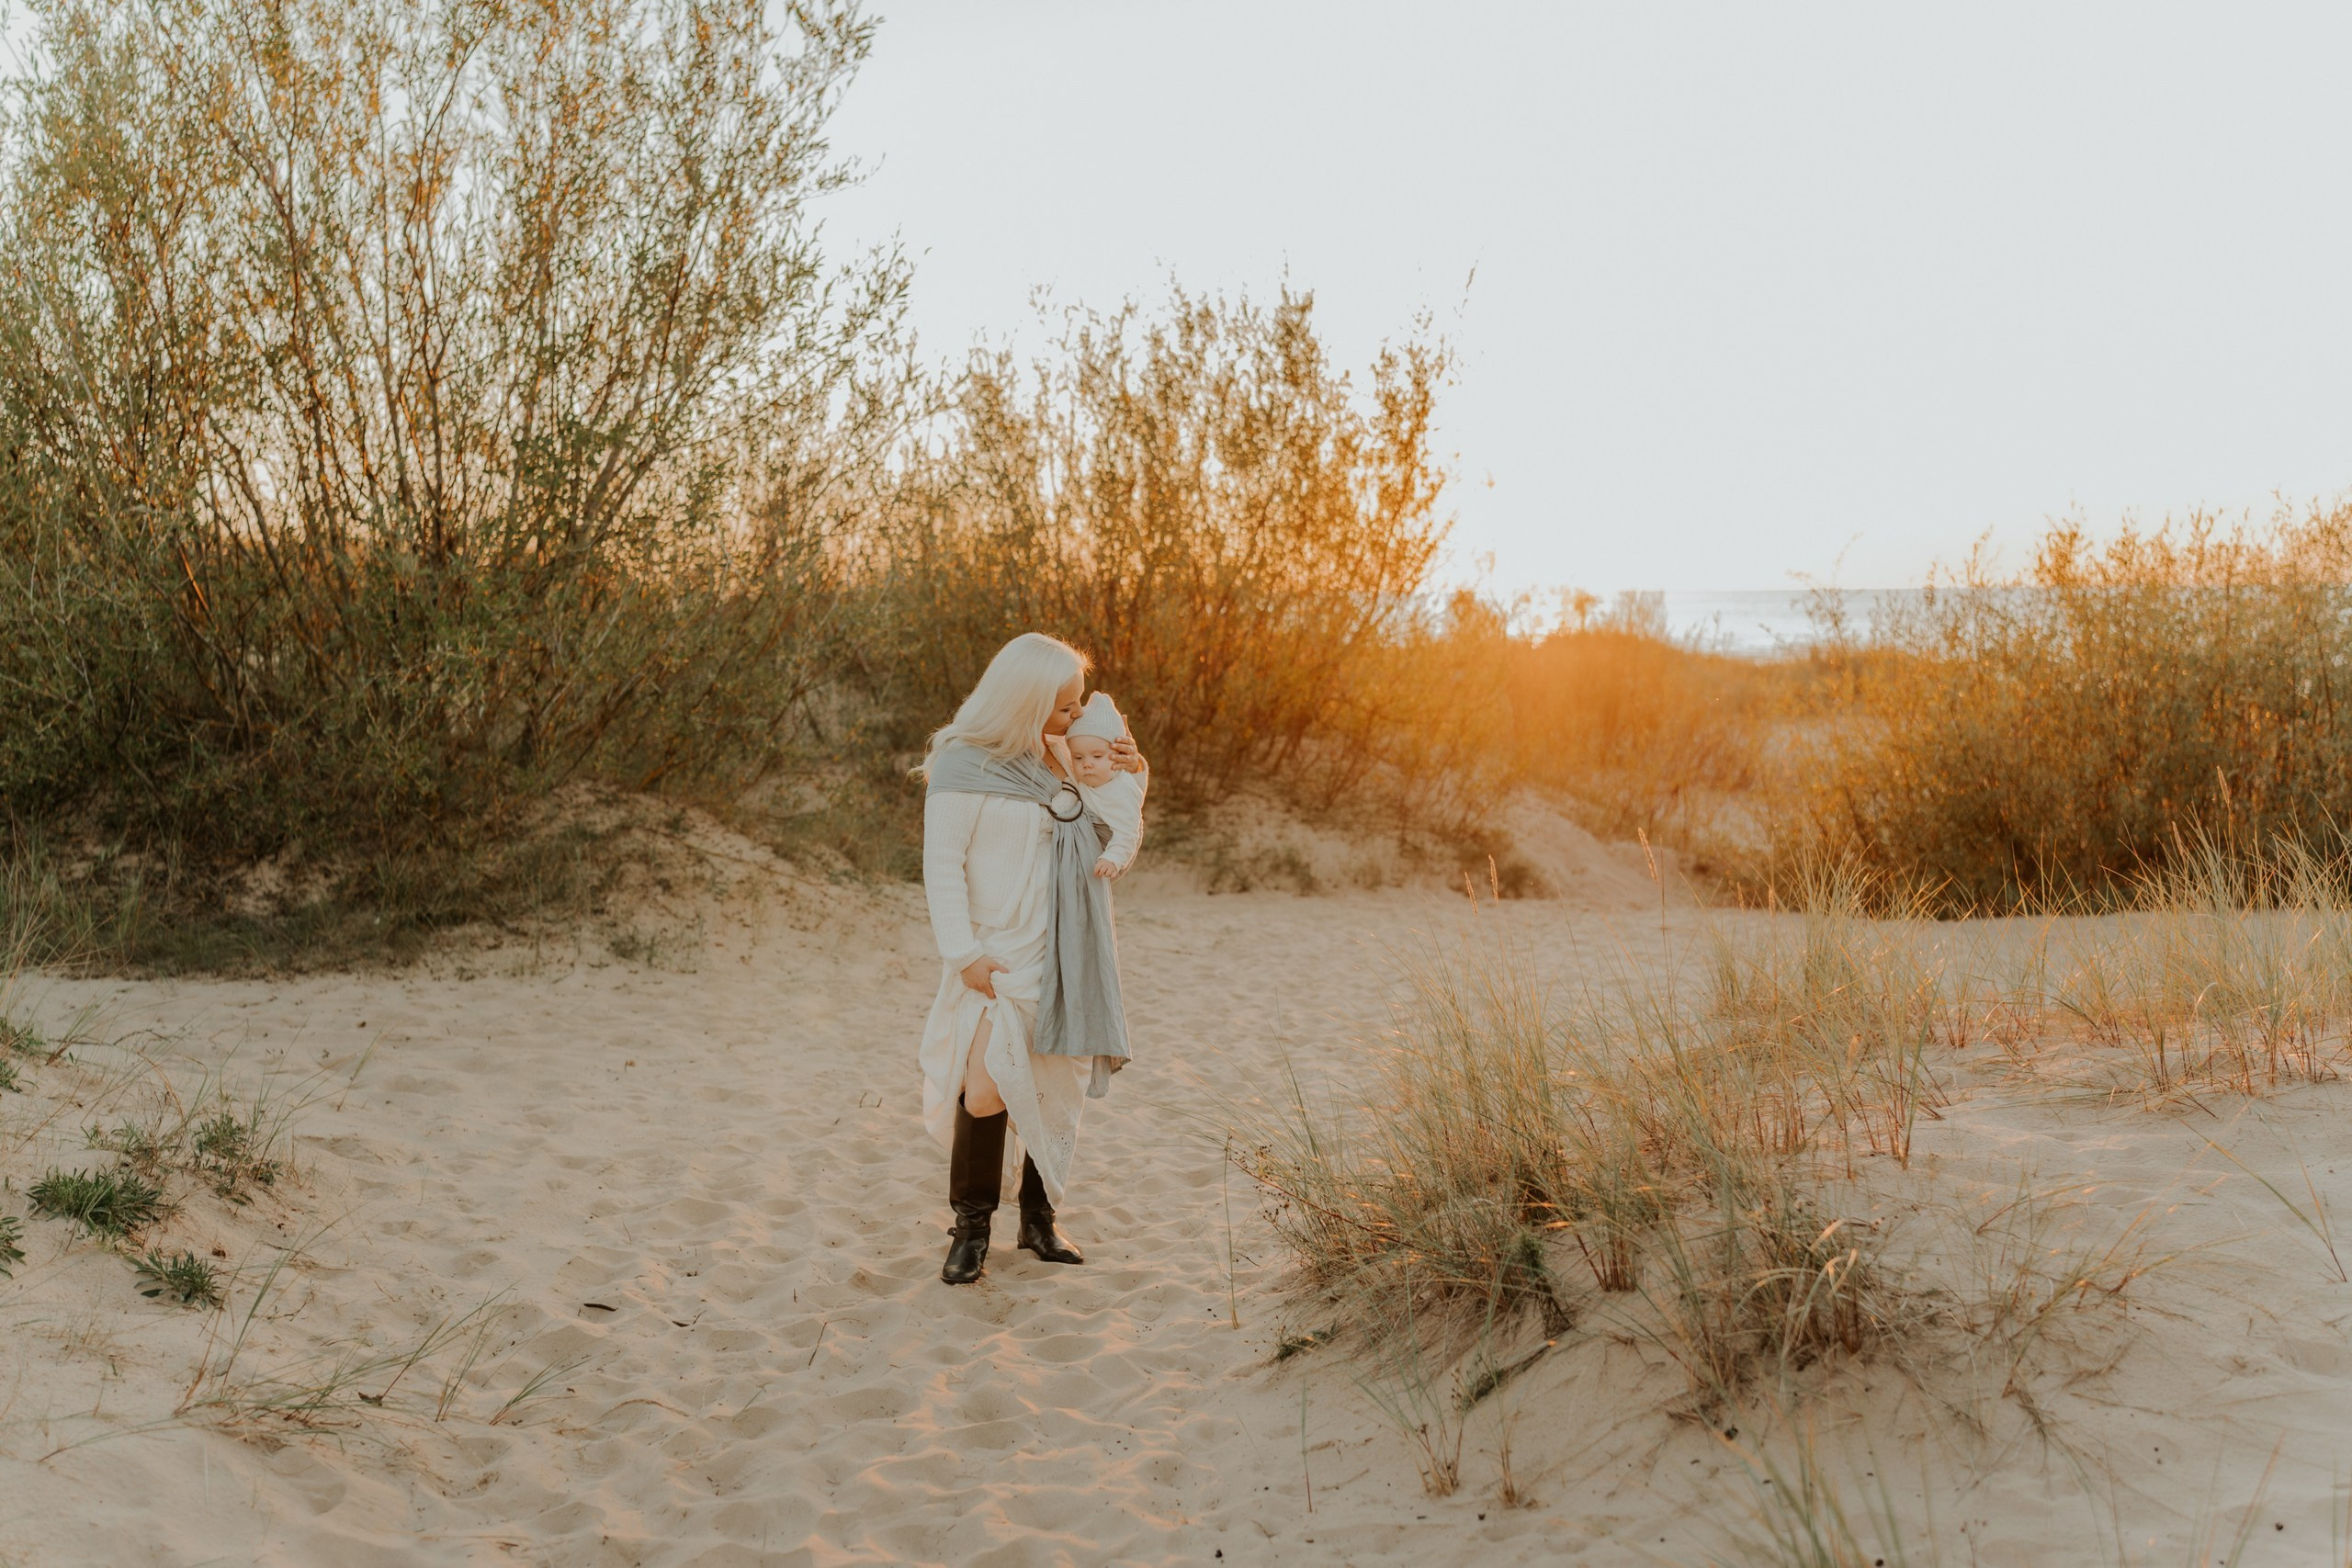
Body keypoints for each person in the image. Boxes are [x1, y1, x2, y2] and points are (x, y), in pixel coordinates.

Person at [916, 634, 1144, 1286]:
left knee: (1053, 1085)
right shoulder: (964, 763)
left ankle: (1038, 1222)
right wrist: (963, 953)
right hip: (996, 953)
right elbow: (943, 866)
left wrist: (1129, 768)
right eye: (1066, 705)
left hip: (1068, 947)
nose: (1077, 715)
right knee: (987, 1085)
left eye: (1079, 704)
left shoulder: (1068, 755)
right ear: (1025, 697)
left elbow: (1115, 825)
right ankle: (971, 1229)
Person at [1063, 693, 1147, 879]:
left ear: (1118, 754)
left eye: (1097, 756)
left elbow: (1128, 832)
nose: (1087, 764)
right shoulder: (1083, 778)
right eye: (1078, 757)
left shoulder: (1122, 791)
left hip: (1100, 861)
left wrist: (1112, 859)